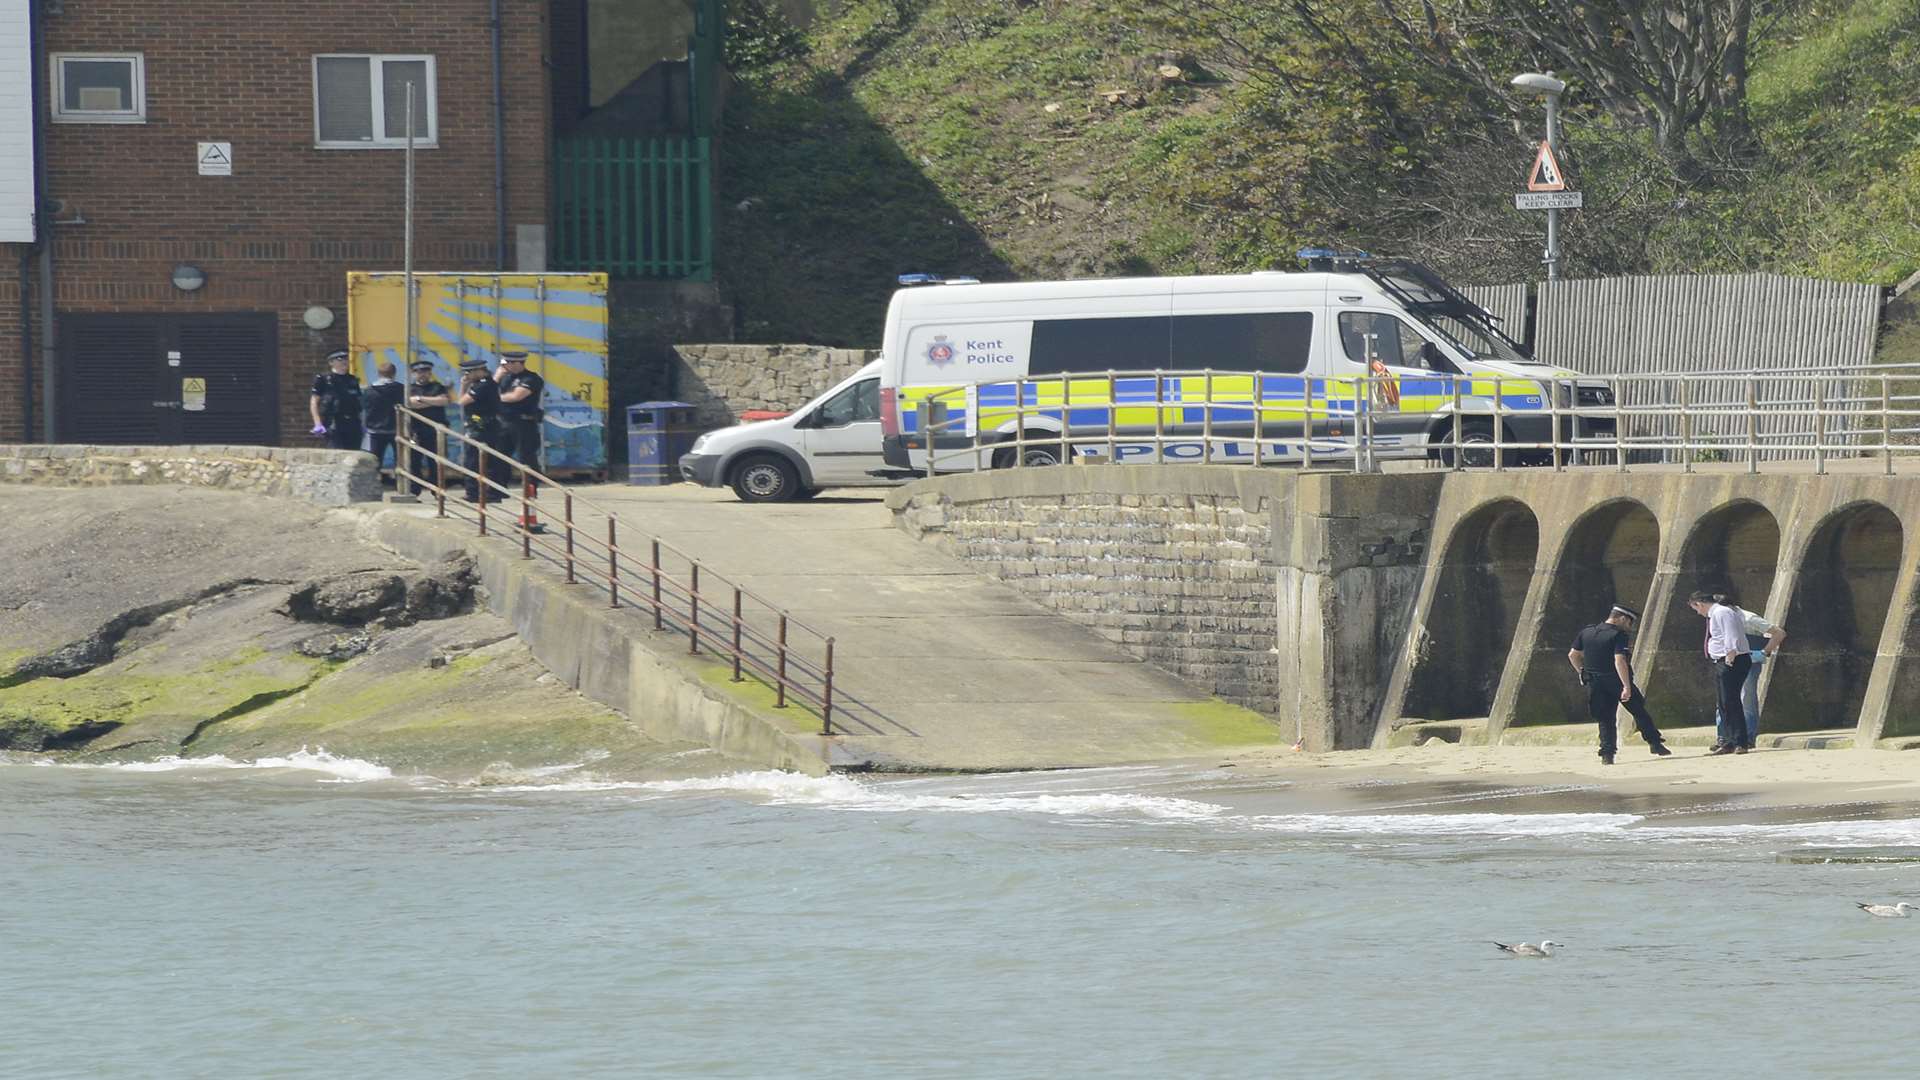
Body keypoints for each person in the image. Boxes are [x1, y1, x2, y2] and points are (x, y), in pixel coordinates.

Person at [1567, 603, 1671, 765]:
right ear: (1621, 619)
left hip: (1595, 682)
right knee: (1639, 711)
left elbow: (1573, 655)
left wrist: (1582, 671)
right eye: (1629, 622)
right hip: (1616, 680)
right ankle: (1655, 744)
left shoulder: (1587, 632)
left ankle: (1607, 754)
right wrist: (1626, 686)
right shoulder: (1618, 635)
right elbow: (1619, 660)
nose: (1630, 627)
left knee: (1605, 718)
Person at [1687, 591, 1775, 754]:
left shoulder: (1722, 612)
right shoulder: (1718, 613)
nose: (1698, 613)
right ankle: (1728, 741)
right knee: (1724, 702)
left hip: (1733, 659)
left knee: (1731, 701)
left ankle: (1740, 740)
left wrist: (1730, 656)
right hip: (1724, 659)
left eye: (1696, 608)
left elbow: (1731, 635)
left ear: (1699, 603)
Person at [456, 355, 508, 502]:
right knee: (484, 461)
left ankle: (476, 493)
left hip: (483, 428)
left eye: (468, 372)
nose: (466, 376)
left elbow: (462, 401)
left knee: (475, 461)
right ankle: (485, 493)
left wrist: (464, 386)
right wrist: (465, 385)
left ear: (479, 371)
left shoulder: (484, 385)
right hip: (481, 426)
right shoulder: (482, 383)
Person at [495, 350, 546, 484]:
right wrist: (496, 378)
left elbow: (516, 396)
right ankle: (499, 488)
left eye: (508, 363)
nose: (505, 366)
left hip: (524, 423)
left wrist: (495, 399)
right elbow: (487, 391)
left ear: (518, 363)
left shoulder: (531, 378)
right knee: (499, 456)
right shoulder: (505, 378)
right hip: (505, 422)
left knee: (526, 457)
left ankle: (531, 488)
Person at [404, 360, 451, 488]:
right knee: (414, 463)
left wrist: (420, 399)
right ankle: (415, 490)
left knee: (436, 462)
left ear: (430, 373)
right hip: (416, 431)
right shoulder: (410, 388)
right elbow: (409, 404)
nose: (422, 374)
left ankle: (437, 490)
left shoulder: (437, 387)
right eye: (418, 372)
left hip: (435, 431)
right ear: (413, 374)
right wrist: (432, 402)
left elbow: (444, 401)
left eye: (425, 372)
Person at [308, 350, 364, 452]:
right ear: (331, 362)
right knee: (336, 452)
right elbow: (314, 402)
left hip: (352, 423)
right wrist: (317, 423)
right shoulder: (324, 379)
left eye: (346, 359)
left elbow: (358, 402)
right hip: (333, 422)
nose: (344, 362)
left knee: (353, 454)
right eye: (340, 359)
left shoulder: (352, 380)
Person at [361, 360, 405, 481]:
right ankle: (401, 486)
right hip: (396, 430)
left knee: (374, 461)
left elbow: (364, 411)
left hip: (374, 432)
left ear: (378, 374)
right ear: (394, 374)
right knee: (401, 462)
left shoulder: (369, 391)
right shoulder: (400, 389)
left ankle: (372, 485)